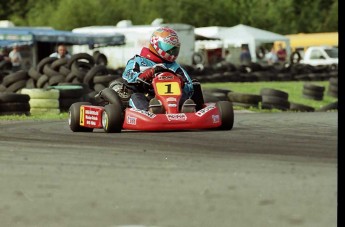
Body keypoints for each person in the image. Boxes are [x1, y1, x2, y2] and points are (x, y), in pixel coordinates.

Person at [114, 26, 196, 113]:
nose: (172, 52)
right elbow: (127, 75)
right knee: (136, 97)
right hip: (147, 95)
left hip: (173, 98)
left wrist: (181, 82)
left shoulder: (175, 67)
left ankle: (187, 110)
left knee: (185, 95)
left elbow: (190, 86)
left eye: (174, 49)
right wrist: (142, 75)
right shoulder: (139, 61)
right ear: (156, 44)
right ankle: (149, 111)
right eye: (169, 48)